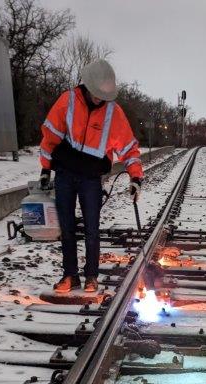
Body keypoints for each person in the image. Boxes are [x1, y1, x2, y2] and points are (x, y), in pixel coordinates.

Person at [39, 59, 143, 293]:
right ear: (87, 87)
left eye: (105, 97)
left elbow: (128, 148)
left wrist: (135, 178)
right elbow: (50, 137)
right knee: (66, 228)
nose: (101, 101)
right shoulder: (68, 102)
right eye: (97, 95)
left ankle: (91, 276)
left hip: (90, 178)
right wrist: (46, 168)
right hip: (65, 173)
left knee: (92, 229)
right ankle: (70, 275)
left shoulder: (113, 112)